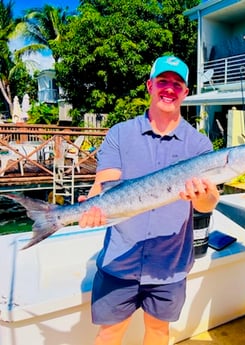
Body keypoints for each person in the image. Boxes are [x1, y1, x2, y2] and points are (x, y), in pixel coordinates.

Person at [78, 55, 220, 345]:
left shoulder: (200, 144)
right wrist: (86, 208)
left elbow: (208, 204)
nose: (169, 89)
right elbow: (105, 184)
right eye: (163, 82)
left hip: (170, 264)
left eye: (177, 84)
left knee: (158, 332)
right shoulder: (120, 133)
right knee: (109, 334)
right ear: (150, 85)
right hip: (120, 259)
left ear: (185, 92)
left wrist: (204, 195)